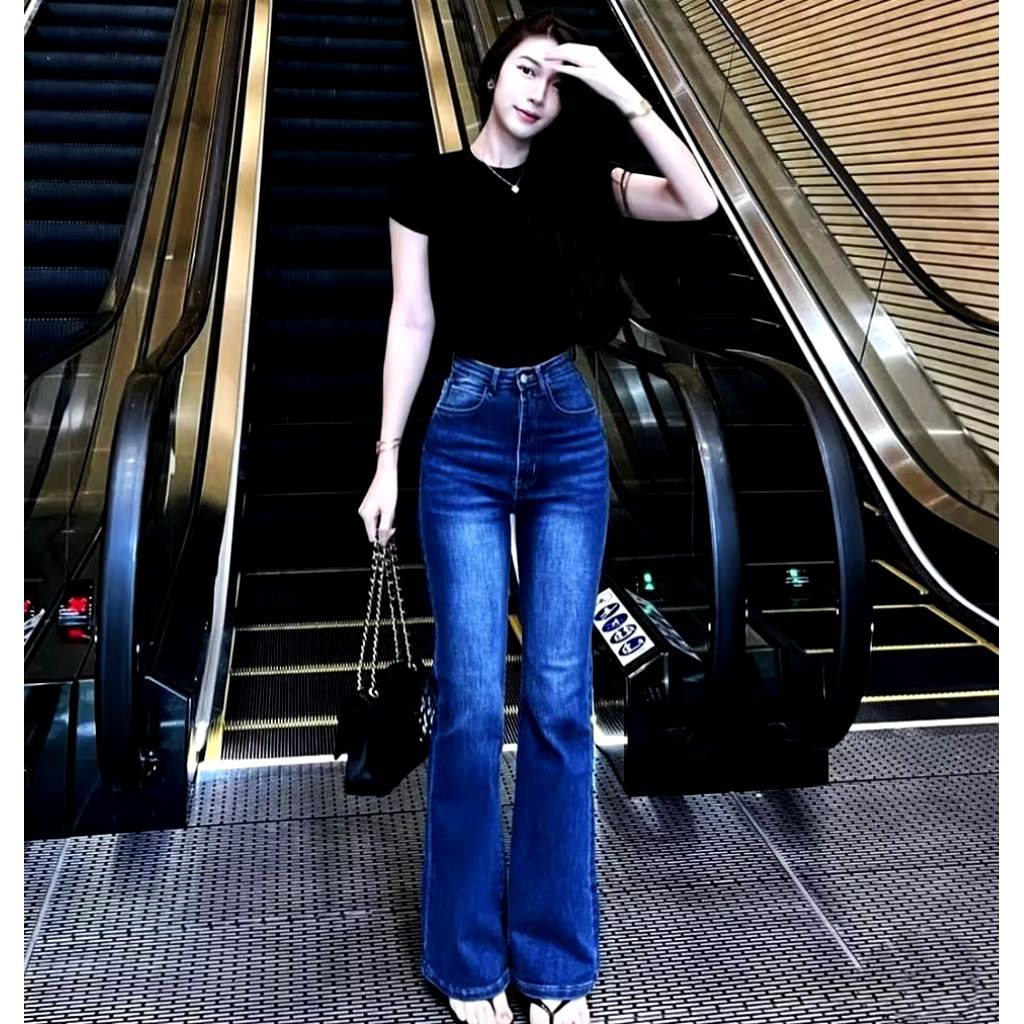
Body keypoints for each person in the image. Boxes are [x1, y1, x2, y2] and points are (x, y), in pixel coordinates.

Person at [357, 10, 718, 1023]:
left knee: (560, 702)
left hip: (565, 434)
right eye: (526, 69)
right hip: (464, 438)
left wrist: (621, 90)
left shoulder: (584, 183)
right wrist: (386, 460)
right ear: (490, 75)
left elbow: (698, 199)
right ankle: (466, 961)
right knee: (472, 705)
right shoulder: (427, 185)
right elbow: (412, 318)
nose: (536, 91)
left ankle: (556, 969)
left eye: (556, 80)